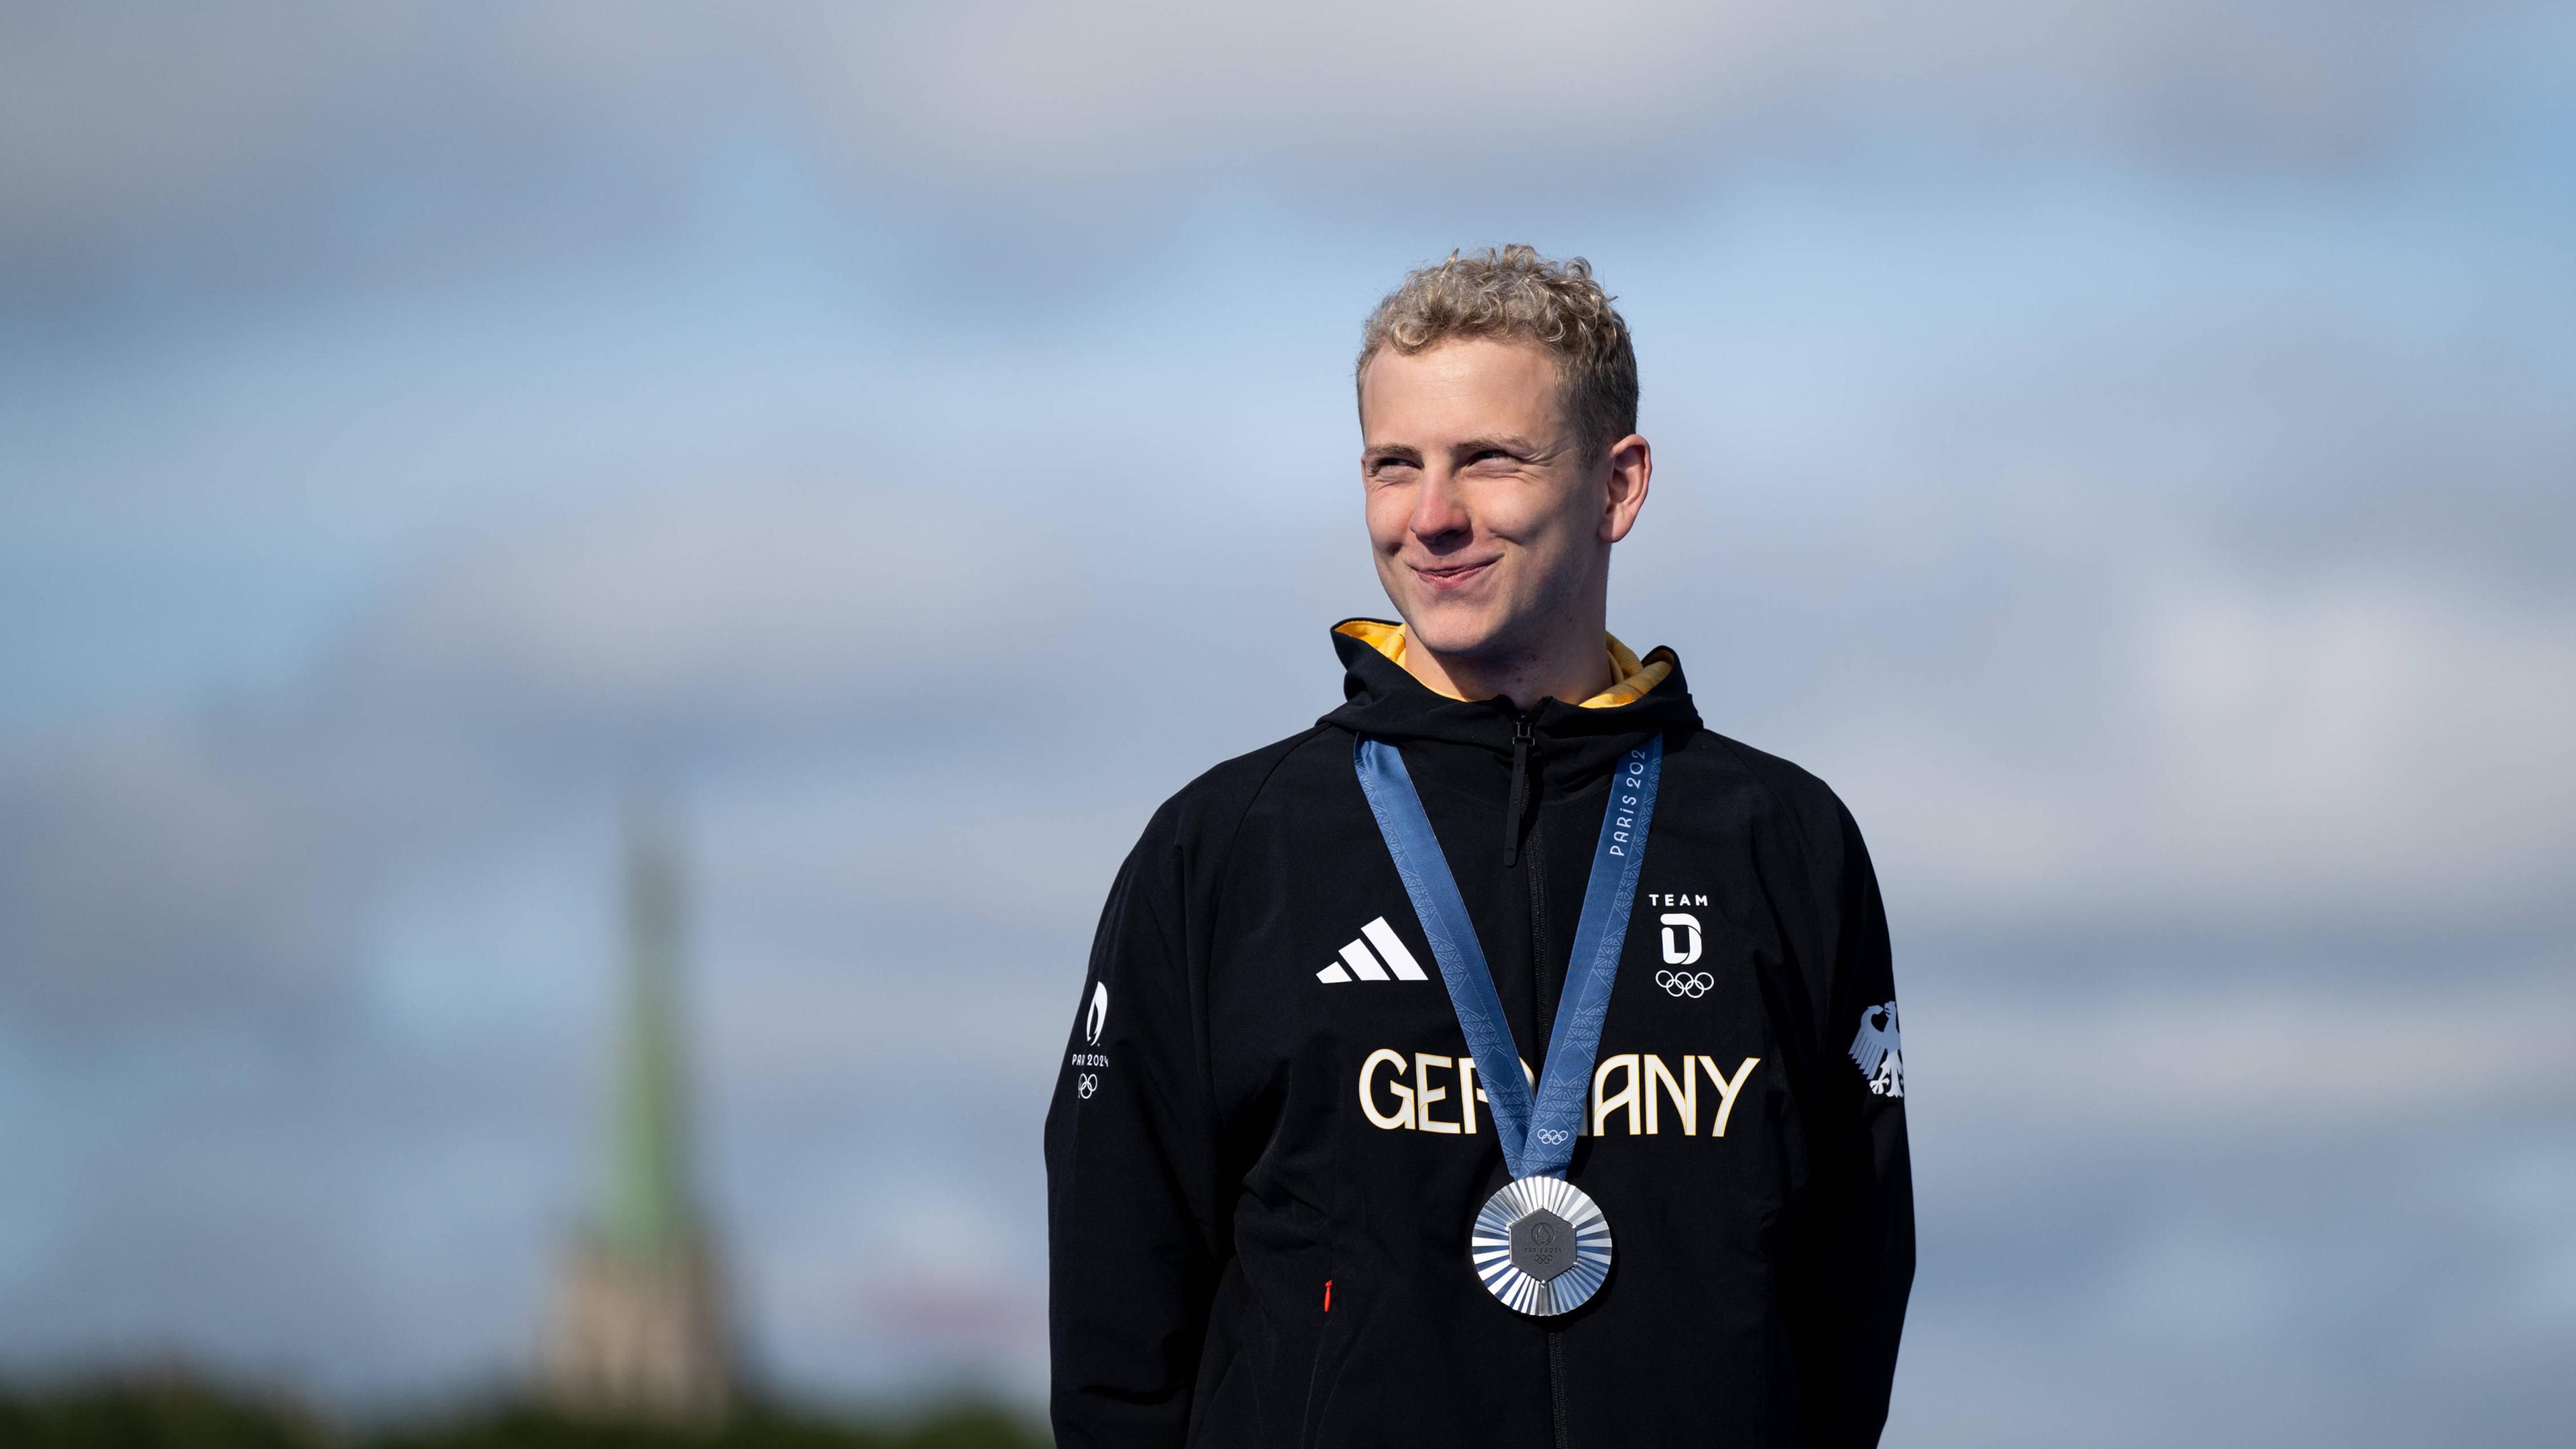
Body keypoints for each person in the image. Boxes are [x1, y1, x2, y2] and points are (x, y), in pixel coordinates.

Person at [1044, 246, 1911, 1448]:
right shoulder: (1227, 849)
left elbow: (1851, 1294)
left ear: (1619, 485)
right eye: (1394, 466)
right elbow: (1117, 1322)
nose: (1433, 516)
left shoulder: (1784, 844)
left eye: (1490, 459)